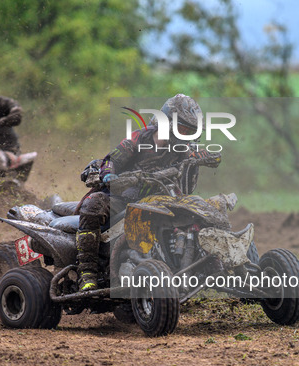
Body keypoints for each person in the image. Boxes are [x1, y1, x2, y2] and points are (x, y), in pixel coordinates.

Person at [76, 94, 221, 291]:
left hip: (164, 198)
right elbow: (111, 160)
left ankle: (211, 266)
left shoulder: (186, 148)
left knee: (200, 212)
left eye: (191, 131)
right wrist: (109, 173)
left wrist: (201, 158)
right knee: (92, 204)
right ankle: (87, 273)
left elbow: (191, 180)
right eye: (183, 128)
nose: (186, 134)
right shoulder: (140, 138)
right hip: (125, 197)